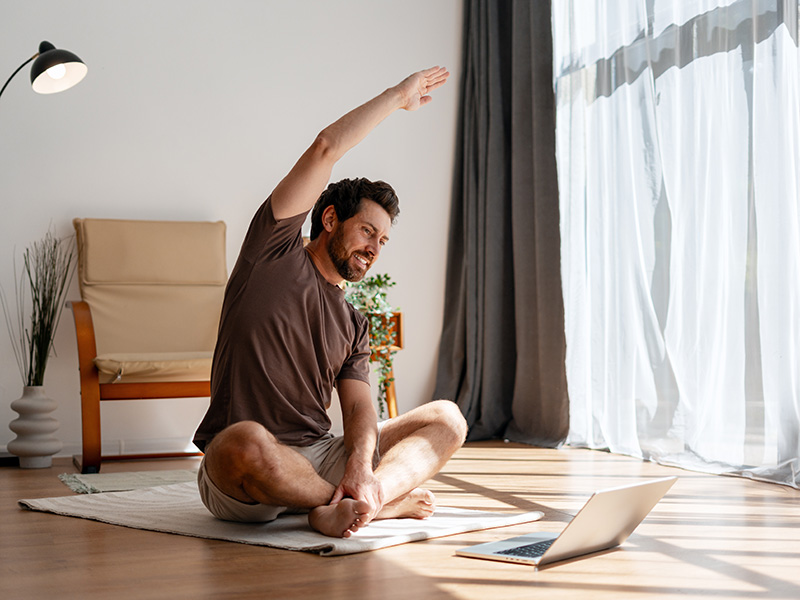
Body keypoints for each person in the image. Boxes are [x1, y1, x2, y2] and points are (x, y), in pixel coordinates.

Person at [193, 66, 468, 539]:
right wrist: (398, 96)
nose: (374, 248)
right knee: (243, 442)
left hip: (321, 456)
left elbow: (360, 409)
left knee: (448, 418)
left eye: (383, 240)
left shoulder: (352, 322)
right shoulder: (272, 251)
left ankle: (361, 496)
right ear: (328, 219)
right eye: (366, 231)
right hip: (255, 470)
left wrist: (360, 465)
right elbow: (326, 147)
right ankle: (361, 506)